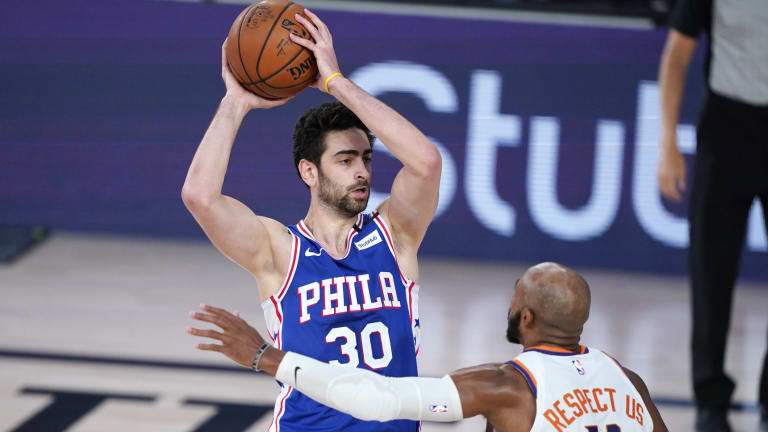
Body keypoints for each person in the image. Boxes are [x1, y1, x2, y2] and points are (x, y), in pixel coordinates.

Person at [181, 9, 441, 432]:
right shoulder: (279, 250)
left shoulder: (395, 235)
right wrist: (236, 103)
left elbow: (426, 162)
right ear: (309, 171)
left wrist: (335, 82)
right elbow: (199, 196)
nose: (362, 172)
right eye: (345, 160)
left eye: (366, 159)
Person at [188, 262, 669, 432]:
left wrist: (266, 356)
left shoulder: (507, 386)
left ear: (525, 317)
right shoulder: (630, 382)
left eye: (515, 297)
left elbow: (376, 400)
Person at [656, 0, 768, 430]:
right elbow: (677, 54)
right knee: (710, 273)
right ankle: (710, 401)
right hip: (727, 129)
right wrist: (668, 143)